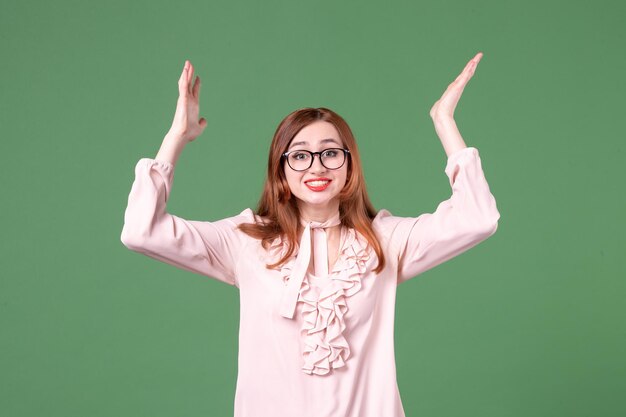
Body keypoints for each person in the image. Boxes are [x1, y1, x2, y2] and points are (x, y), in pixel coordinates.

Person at [120, 52, 500, 417]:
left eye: (331, 152)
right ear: (280, 170)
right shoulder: (246, 241)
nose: (316, 166)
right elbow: (141, 231)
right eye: (299, 155)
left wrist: (444, 122)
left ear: (350, 165)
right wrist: (176, 137)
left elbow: (478, 218)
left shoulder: (385, 240)